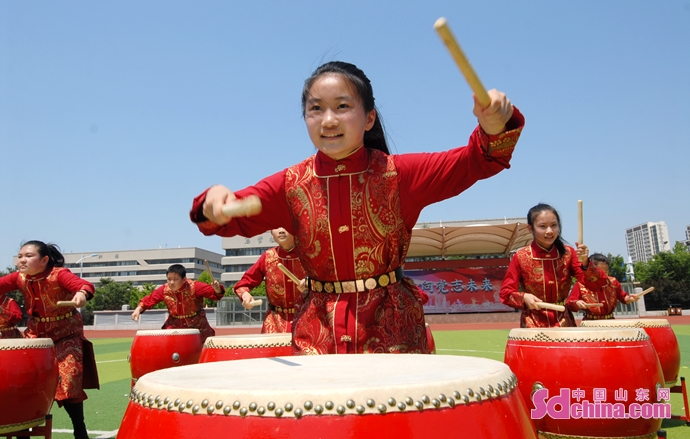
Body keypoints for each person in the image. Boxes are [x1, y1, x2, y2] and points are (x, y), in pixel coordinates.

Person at [191, 61, 524, 355]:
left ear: (369, 119)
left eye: (343, 106)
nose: (328, 119)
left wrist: (495, 125)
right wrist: (213, 202)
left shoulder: (399, 175)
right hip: (316, 340)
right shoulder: (289, 185)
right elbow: (222, 218)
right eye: (315, 109)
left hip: (395, 336)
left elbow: (476, 161)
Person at [0, 241, 99, 439]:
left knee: (69, 381)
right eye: (20, 256)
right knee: (23, 379)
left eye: (28, 256)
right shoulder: (19, 278)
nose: (22, 260)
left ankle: (79, 428)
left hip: (66, 335)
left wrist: (81, 294)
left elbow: (84, 285)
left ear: (44, 260)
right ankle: (23, 425)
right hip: (35, 336)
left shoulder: (59, 274)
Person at [499, 204, 610, 328]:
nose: (549, 231)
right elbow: (505, 293)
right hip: (533, 323)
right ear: (530, 229)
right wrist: (524, 297)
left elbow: (598, 284)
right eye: (542, 226)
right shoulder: (520, 257)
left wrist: (585, 263)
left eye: (554, 225)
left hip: (564, 321)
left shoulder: (569, 254)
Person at [235, 227, 307, 333]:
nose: (281, 230)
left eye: (285, 225)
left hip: (306, 317)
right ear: (271, 233)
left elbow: (327, 277)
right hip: (274, 321)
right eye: (276, 227)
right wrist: (245, 294)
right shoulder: (268, 256)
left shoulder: (309, 255)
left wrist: (311, 283)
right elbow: (244, 283)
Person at [131, 263, 225, 343]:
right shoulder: (164, 290)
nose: (171, 282)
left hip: (197, 325)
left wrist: (217, 288)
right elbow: (149, 299)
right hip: (174, 325)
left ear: (184, 279)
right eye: (169, 279)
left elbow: (216, 293)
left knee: (202, 349)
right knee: (166, 346)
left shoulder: (195, 287)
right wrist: (138, 309)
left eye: (175, 279)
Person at [566, 253, 639, 320]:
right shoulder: (581, 284)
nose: (604, 275)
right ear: (591, 270)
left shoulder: (613, 282)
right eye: (600, 272)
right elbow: (570, 303)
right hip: (590, 322)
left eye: (606, 271)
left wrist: (631, 298)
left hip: (610, 321)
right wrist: (577, 303)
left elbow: (623, 298)